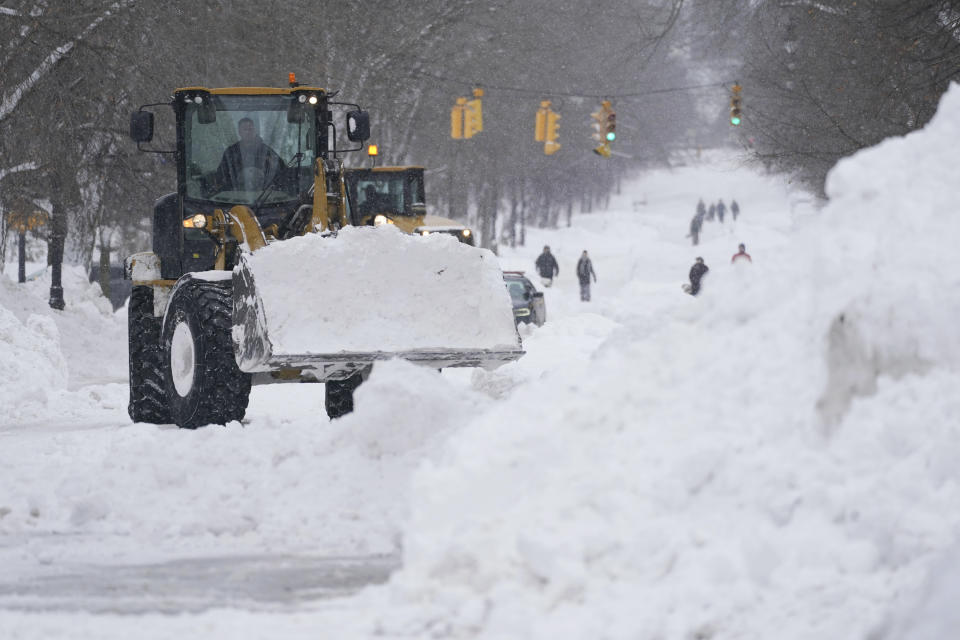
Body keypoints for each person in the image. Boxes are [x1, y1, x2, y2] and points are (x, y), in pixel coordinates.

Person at [210, 117, 285, 193]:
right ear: (239, 132)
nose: (248, 132)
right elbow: (221, 175)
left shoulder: (266, 151)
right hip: (235, 197)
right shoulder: (231, 152)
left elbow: (281, 172)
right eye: (245, 129)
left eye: (251, 129)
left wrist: (273, 165)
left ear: (255, 131)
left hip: (264, 198)